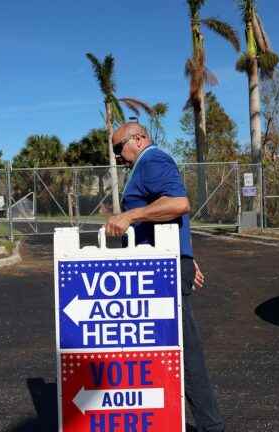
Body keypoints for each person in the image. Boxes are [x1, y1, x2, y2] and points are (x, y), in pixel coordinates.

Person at [104, 122, 225, 432]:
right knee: (157, 352)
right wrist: (186, 255)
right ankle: (156, 419)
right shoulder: (144, 165)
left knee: (185, 353)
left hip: (164, 272)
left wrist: (130, 215)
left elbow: (178, 204)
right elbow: (173, 220)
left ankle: (211, 427)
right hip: (165, 266)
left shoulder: (152, 160)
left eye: (120, 148)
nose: (118, 156)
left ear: (140, 139)